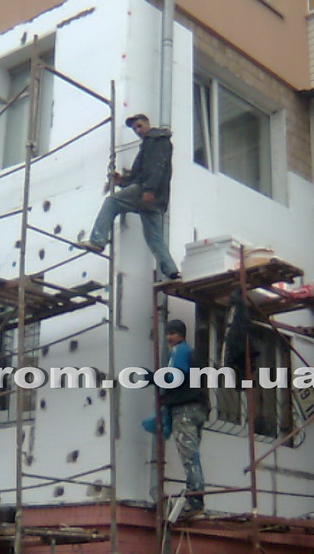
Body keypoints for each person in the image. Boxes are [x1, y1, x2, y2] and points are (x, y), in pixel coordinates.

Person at [77, 113, 180, 280]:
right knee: (154, 237)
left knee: (111, 202)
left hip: (147, 191)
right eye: (134, 129)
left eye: (139, 126)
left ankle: (97, 241)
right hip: (153, 196)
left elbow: (157, 167)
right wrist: (122, 181)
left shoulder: (156, 140)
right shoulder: (151, 143)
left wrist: (149, 190)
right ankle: (172, 271)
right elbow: (140, 174)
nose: (138, 131)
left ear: (147, 123)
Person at [162, 319, 208, 518]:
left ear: (181, 335)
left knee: (189, 457)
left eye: (172, 333)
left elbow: (174, 377)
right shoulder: (194, 354)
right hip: (198, 409)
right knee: (193, 455)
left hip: (184, 410)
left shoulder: (179, 351)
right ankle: (195, 497)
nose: (169, 337)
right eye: (167, 333)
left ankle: (195, 500)